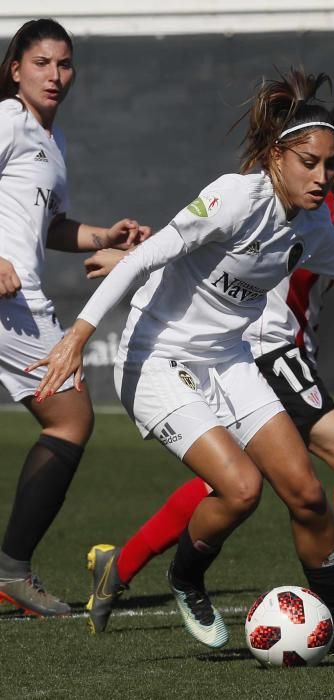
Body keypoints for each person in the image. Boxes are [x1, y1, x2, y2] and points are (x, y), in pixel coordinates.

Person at [31, 68, 334, 655]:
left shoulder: (314, 225)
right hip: (158, 357)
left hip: (230, 359)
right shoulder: (235, 196)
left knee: (308, 494)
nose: (323, 177)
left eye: (327, 164)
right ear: (276, 156)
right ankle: (186, 579)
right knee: (240, 489)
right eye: (309, 163)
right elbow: (140, 261)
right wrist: (77, 337)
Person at [0, 18, 150, 617]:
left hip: (15, 300)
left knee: (69, 418)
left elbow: (51, 228)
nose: (56, 75)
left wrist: (101, 234)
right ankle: (11, 570)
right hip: (12, 304)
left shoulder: (50, 141)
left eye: (64, 64)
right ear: (16, 69)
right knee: (70, 418)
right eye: (42, 63)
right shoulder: (8, 119)